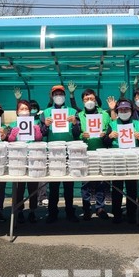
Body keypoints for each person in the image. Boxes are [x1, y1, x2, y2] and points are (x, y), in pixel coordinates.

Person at [103, 99, 139, 224]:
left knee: (132, 187)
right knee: (117, 187)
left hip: (133, 160)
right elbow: (105, 142)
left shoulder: (137, 124)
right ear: (117, 111)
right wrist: (110, 136)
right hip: (117, 160)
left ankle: (131, 213)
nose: (123, 111)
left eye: (126, 109)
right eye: (121, 110)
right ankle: (116, 214)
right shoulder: (113, 124)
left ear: (131, 111)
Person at [39, 84, 79, 223]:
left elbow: (77, 134)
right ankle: (52, 212)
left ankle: (70, 211)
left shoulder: (72, 111)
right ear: (52, 96)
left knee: (69, 184)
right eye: (56, 94)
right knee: (54, 185)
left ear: (65, 96)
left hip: (69, 152)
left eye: (60, 94)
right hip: (54, 153)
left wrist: (75, 123)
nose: (58, 96)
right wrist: (46, 125)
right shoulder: (46, 112)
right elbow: (42, 134)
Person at [72, 89, 111, 220]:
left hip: (101, 152)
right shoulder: (79, 115)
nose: (89, 101)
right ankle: (86, 208)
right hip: (85, 153)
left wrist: (105, 134)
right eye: (86, 99)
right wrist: (82, 135)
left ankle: (100, 208)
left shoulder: (104, 114)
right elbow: (75, 134)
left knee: (101, 181)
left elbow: (109, 130)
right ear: (82, 101)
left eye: (92, 99)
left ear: (96, 100)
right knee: (86, 182)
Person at [7, 100, 43, 223]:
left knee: (33, 186)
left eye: (26, 109)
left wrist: (37, 132)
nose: (24, 111)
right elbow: (9, 141)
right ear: (17, 112)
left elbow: (39, 140)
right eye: (21, 109)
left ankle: (33, 210)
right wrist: (12, 135)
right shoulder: (13, 125)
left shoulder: (36, 123)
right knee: (19, 187)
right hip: (18, 159)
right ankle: (19, 210)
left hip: (32, 158)